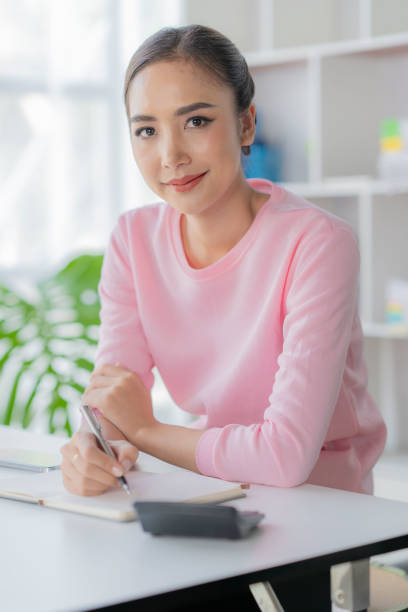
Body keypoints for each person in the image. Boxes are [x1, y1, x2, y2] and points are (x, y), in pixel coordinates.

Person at [61, 24, 386, 500]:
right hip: (215, 486)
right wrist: (93, 449)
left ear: (246, 123)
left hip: (323, 505)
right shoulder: (133, 240)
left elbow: (286, 455)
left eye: (195, 122)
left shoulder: (317, 242)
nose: (170, 155)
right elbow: (113, 399)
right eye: (147, 130)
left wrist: (146, 433)